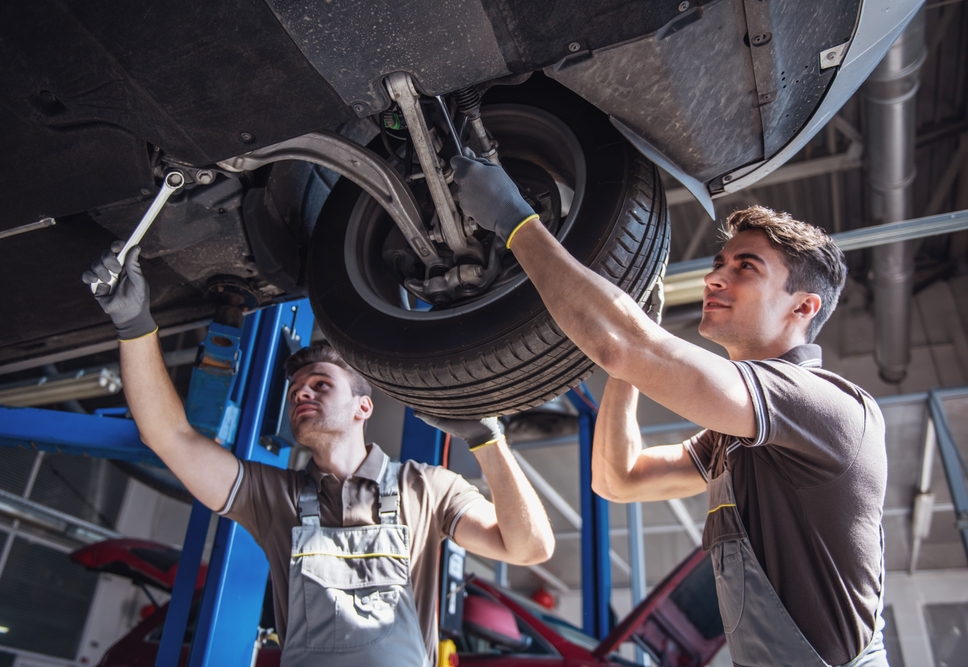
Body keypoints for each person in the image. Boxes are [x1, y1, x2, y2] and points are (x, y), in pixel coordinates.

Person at [452, 156, 888, 667]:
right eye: (719, 264)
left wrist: (514, 221)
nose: (715, 277)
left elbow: (621, 345)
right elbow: (618, 479)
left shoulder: (825, 405)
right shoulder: (738, 437)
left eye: (745, 267)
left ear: (803, 307)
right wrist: (633, 367)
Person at [82, 243, 555, 667]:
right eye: (296, 391)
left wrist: (487, 438)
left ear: (363, 407)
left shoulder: (427, 488)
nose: (302, 393)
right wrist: (134, 325)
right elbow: (170, 437)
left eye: (321, 384)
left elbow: (529, 547)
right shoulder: (271, 498)